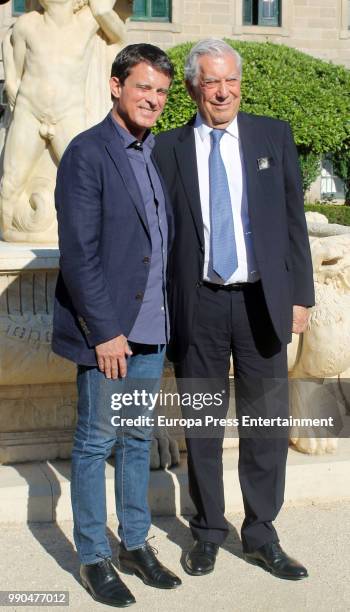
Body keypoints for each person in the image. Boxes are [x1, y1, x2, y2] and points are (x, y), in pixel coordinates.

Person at [154, 39, 315, 581]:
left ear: (240, 84)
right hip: (197, 302)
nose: (222, 92)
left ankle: (262, 534)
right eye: (211, 82)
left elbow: (294, 222)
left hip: (261, 300)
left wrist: (300, 297)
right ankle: (206, 532)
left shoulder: (273, 135)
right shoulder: (167, 148)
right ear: (195, 87)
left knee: (266, 423)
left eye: (231, 81)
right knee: (201, 424)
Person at [52, 44, 181, 608]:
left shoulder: (152, 152)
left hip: (152, 329)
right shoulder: (88, 152)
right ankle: (92, 557)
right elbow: (78, 253)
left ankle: (133, 542)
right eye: (143, 88)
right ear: (115, 85)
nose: (153, 99)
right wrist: (104, 331)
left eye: (161, 92)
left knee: (135, 441)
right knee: (95, 442)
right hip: (111, 335)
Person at [0, 0, 129, 242]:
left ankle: (93, 236)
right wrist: (11, 84)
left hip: (68, 114)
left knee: (89, 179)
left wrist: (102, 10)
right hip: (30, 111)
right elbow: (15, 69)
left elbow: (119, 36)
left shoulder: (88, 21)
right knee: (10, 183)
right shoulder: (27, 24)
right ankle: (7, 233)